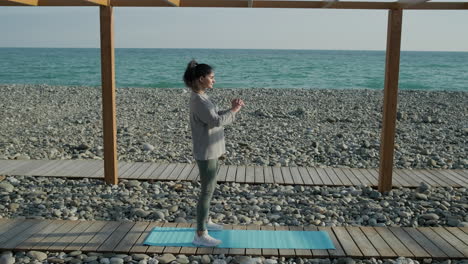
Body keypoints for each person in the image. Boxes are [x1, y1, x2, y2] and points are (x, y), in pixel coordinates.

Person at [183, 59, 245, 247]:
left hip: (212, 149)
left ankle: (206, 220)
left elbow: (216, 117)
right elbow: (216, 122)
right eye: (212, 77)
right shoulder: (199, 100)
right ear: (201, 78)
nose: (214, 80)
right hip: (207, 151)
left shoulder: (202, 97)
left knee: (209, 189)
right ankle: (200, 234)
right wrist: (234, 109)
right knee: (206, 191)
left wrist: (232, 109)